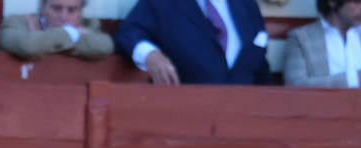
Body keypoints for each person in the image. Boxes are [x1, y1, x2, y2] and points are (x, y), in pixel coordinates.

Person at [115, 0, 271, 85]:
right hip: (187, 116)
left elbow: (259, 68)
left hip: (244, 119)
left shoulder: (247, 5)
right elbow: (128, 32)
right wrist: (150, 55)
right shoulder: (163, 3)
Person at [0, 0, 114, 62]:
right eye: (57, 8)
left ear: (80, 12)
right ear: (42, 7)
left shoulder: (88, 25)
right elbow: (28, 46)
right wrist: (71, 33)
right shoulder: (17, 22)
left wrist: (43, 43)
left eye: (72, 10)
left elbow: (105, 46)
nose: (63, 17)